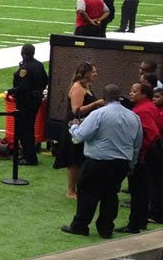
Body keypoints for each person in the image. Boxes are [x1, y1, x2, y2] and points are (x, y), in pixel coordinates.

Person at [62, 85, 142, 239]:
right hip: (121, 163)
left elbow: (81, 135)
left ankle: (80, 226)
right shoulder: (134, 117)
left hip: (99, 161)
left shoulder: (99, 114)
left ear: (104, 99)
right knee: (111, 194)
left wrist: (73, 127)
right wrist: (131, 164)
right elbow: (137, 145)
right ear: (119, 97)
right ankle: (105, 229)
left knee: (87, 193)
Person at [124, 81, 163, 235]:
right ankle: (140, 222)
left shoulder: (143, 110)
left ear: (143, 94)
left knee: (138, 189)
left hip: (148, 154)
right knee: (145, 189)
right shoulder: (149, 107)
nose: (131, 93)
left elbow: (152, 133)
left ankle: (135, 224)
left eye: (134, 91)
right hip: (153, 152)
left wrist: (140, 153)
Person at [57, 62, 100, 198]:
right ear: (86, 73)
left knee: (81, 157)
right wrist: (96, 104)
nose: (95, 74)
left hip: (84, 123)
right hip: (74, 124)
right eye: (93, 72)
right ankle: (71, 190)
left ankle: (80, 187)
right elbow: (76, 109)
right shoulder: (77, 87)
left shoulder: (87, 86)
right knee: (74, 159)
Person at [9, 45, 49, 169]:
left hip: (26, 101)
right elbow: (45, 81)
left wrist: (11, 90)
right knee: (28, 128)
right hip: (35, 100)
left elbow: (23, 87)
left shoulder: (25, 68)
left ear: (23, 53)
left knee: (24, 130)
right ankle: (28, 154)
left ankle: (29, 157)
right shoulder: (38, 64)